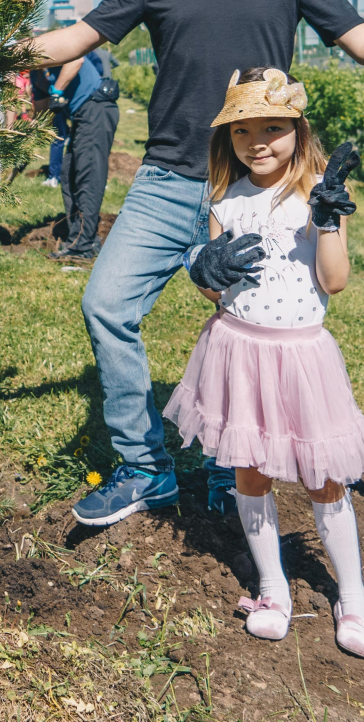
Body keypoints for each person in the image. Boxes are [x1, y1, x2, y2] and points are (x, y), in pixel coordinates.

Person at [31, 0, 364, 527]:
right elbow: (71, 39)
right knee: (107, 304)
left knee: (253, 325)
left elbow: (355, 36)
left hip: (257, 182)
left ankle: (236, 467)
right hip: (166, 177)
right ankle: (145, 467)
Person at [162, 68, 364, 655]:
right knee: (250, 470)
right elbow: (218, 287)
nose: (258, 141)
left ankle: (351, 594)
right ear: (228, 137)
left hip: (301, 358)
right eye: (243, 129)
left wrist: (327, 222)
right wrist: (203, 269)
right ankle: (274, 586)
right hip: (237, 351)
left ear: (298, 131)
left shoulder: (318, 193)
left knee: (324, 478)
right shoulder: (226, 200)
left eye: (274, 127)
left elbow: (336, 280)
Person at [35, 52, 120, 261]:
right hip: (82, 115)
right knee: (68, 174)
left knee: (87, 178)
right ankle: (79, 239)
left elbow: (75, 59)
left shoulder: (49, 48)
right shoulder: (35, 72)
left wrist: (56, 90)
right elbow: (40, 108)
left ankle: (83, 246)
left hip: (95, 108)